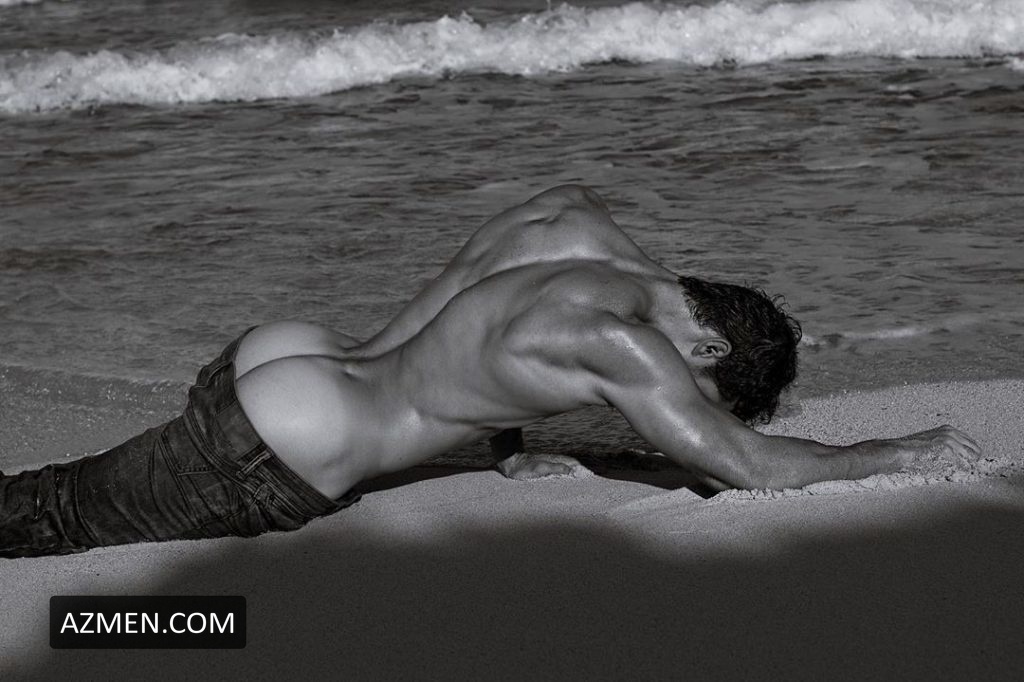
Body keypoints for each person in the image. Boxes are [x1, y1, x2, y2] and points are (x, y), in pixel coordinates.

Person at [0, 185, 980, 558]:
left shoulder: (574, 222)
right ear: (707, 350)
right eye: (696, 394)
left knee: (61, 495)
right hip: (284, 439)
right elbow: (748, 466)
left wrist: (505, 448)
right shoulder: (625, 345)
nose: (667, 409)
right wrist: (899, 450)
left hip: (287, 353)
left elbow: (486, 327)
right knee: (50, 514)